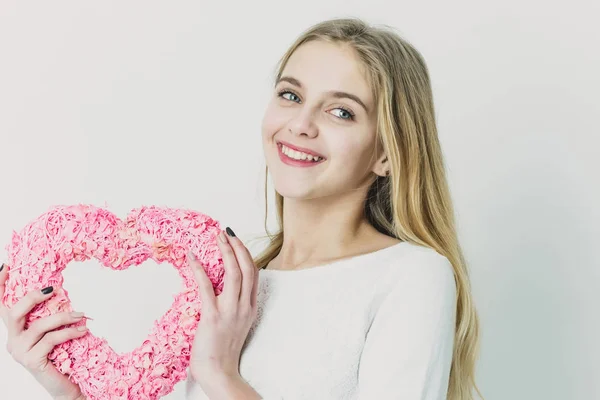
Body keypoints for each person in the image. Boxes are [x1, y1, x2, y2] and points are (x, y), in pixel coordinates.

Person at [0, 17, 481, 400]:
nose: (301, 124)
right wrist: (67, 393)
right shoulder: (232, 276)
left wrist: (219, 374)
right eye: (291, 95)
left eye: (341, 111)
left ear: (387, 153)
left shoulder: (411, 277)